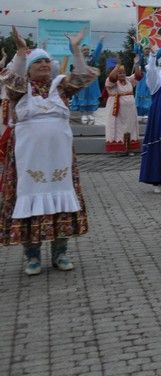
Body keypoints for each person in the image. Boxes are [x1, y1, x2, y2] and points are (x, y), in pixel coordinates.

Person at [0, 27, 96, 275]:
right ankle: (31, 256)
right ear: (28, 68)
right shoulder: (20, 89)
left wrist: (75, 50)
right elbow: (11, 79)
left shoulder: (60, 87)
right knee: (29, 202)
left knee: (61, 201)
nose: (43, 64)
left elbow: (83, 77)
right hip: (27, 161)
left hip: (59, 161)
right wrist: (21, 51)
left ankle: (60, 253)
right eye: (37, 62)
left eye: (46, 60)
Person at [139, 46, 161, 193]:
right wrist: (153, 56)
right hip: (159, 122)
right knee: (159, 148)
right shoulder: (156, 85)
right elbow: (151, 71)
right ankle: (158, 180)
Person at [104, 62, 142, 155]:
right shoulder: (111, 82)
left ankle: (130, 148)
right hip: (117, 111)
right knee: (118, 128)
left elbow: (138, 76)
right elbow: (112, 78)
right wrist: (117, 67)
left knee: (130, 127)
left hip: (130, 111)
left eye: (123, 73)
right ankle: (119, 148)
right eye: (120, 73)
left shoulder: (129, 80)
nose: (122, 74)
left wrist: (136, 64)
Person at [70, 37, 103, 124]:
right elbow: (73, 51)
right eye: (84, 50)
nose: (86, 51)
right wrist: (71, 41)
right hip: (82, 84)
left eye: (87, 50)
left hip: (91, 84)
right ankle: (83, 114)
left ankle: (91, 114)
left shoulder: (92, 59)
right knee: (82, 98)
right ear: (81, 51)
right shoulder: (79, 59)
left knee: (91, 98)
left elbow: (97, 53)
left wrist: (100, 42)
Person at [133, 41, 153, 121]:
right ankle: (139, 113)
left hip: (151, 78)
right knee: (141, 93)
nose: (147, 50)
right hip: (142, 78)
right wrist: (136, 43)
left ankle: (147, 114)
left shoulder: (152, 57)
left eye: (148, 49)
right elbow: (137, 52)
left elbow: (159, 54)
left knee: (149, 94)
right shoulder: (141, 56)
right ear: (143, 50)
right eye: (146, 49)